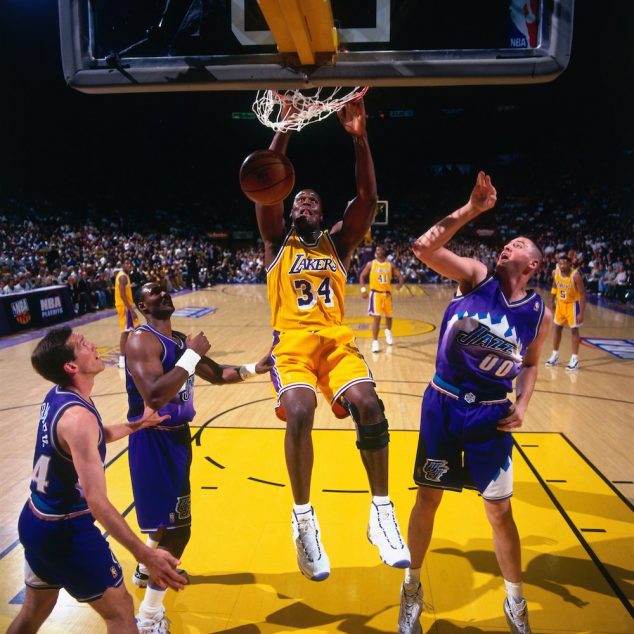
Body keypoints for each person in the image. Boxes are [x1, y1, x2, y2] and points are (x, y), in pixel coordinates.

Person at [253, 97, 410, 582]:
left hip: (336, 342)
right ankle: (304, 522)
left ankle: (381, 515)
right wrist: (287, 128)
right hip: (293, 344)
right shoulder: (277, 239)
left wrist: (360, 137)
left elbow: (365, 198)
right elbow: (266, 185)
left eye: (313, 202)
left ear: (324, 215)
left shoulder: (338, 244)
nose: (304, 203)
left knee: (371, 406)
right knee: (300, 411)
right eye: (299, 198)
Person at [397, 172, 551, 634]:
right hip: (443, 405)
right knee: (429, 497)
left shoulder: (539, 312)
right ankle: (411, 588)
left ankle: (514, 601)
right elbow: (423, 249)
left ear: (533, 265)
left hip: (491, 414)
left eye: (518, 244)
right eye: (507, 242)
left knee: (500, 512)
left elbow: (531, 365)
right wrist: (471, 210)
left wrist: (523, 405)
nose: (508, 246)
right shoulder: (476, 276)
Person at [8, 326, 185, 634]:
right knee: (121, 613)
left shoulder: (59, 396)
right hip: (65, 530)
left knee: (32, 614)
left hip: (35, 521)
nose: (92, 344)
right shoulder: (78, 419)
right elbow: (98, 502)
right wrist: (144, 555)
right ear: (71, 366)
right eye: (82, 344)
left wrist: (137, 424)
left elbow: (93, 438)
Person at [124, 281, 272, 633]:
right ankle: (148, 618)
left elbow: (218, 374)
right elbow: (156, 396)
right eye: (153, 292)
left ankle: (147, 567)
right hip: (154, 441)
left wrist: (256, 367)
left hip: (178, 439)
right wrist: (190, 355)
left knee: (168, 517)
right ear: (143, 306)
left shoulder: (178, 341)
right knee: (180, 532)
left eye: (164, 288)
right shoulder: (141, 340)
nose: (162, 293)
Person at [359, 244, 405, 352]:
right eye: (377, 249)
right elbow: (362, 276)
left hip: (387, 294)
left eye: (380, 249)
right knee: (377, 318)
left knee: (389, 317)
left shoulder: (390, 265)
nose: (378, 251)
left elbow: (400, 276)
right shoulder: (371, 264)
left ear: (384, 251)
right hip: (376, 294)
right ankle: (375, 342)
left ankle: (388, 332)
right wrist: (363, 290)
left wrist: (400, 283)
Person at [544, 253, 586, 371]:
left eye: (564, 263)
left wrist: (581, 313)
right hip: (560, 304)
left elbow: (582, 294)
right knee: (557, 328)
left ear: (570, 264)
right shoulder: (555, 272)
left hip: (573, 305)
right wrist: (552, 300)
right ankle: (555, 355)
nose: (562, 265)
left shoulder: (575, 275)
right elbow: (555, 285)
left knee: (574, 331)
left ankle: (574, 359)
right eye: (560, 263)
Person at [115, 259, 140, 368]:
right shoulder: (123, 277)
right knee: (126, 332)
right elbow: (122, 295)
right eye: (127, 263)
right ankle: (122, 359)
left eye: (130, 264)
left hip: (126, 306)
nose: (129, 265)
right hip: (125, 308)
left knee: (135, 330)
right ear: (122, 265)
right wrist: (131, 310)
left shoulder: (124, 275)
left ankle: (130, 356)